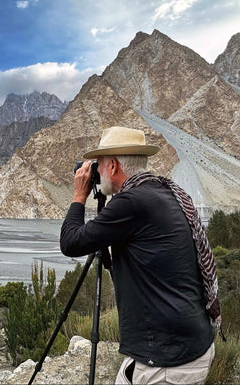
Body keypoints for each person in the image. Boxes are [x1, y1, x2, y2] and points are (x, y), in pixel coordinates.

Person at [60, 126, 222, 384]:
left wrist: (80, 194)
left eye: (98, 165)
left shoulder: (131, 203)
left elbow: (70, 242)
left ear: (113, 166)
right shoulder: (164, 192)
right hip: (187, 342)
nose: (95, 172)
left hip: (167, 360)